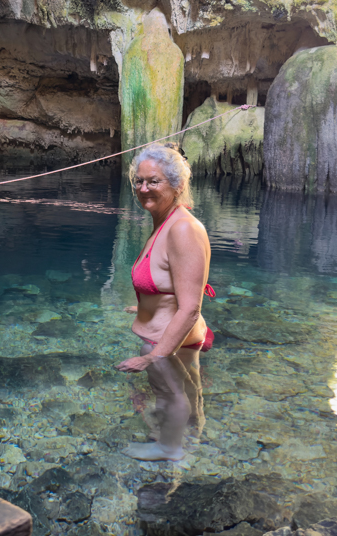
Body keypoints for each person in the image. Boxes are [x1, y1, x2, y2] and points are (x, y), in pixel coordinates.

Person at [115, 143, 215, 461]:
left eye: (153, 181)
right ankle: (193, 438)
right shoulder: (165, 222)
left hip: (169, 338)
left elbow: (190, 307)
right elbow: (172, 284)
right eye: (139, 181)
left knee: (170, 395)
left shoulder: (183, 230)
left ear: (177, 184)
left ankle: (169, 449)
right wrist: (146, 305)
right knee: (186, 389)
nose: (143, 188)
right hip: (178, 333)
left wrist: (152, 357)